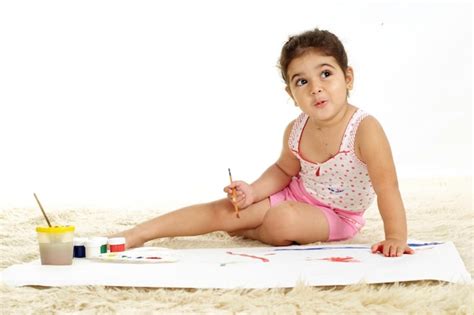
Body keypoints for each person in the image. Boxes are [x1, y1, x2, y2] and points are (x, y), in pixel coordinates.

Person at [113, 28, 414, 257]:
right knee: (224, 212)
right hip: (295, 196)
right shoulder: (295, 129)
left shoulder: (365, 129)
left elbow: (387, 187)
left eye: (325, 74)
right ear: (290, 94)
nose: (316, 89)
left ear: (348, 77)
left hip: (337, 216)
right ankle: (141, 233)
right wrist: (253, 192)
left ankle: (254, 231)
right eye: (302, 81)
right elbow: (283, 171)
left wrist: (396, 237)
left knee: (282, 220)